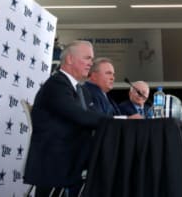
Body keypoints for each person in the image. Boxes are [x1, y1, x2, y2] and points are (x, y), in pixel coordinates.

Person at [24, 41, 140, 195]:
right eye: (87, 58)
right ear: (70, 59)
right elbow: (81, 116)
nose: (90, 64)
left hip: (73, 155)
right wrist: (124, 120)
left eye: (91, 60)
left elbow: (94, 117)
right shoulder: (57, 84)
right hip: (56, 161)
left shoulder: (80, 90)